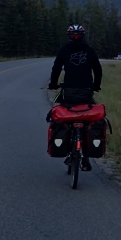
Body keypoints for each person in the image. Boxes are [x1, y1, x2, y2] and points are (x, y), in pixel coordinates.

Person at [48, 24, 102, 171]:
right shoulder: (89, 51)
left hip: (69, 91)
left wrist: (53, 84)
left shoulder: (64, 50)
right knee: (85, 116)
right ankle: (85, 157)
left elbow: (56, 68)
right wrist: (96, 85)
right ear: (83, 35)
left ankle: (68, 145)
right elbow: (98, 70)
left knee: (67, 115)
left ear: (69, 36)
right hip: (86, 91)